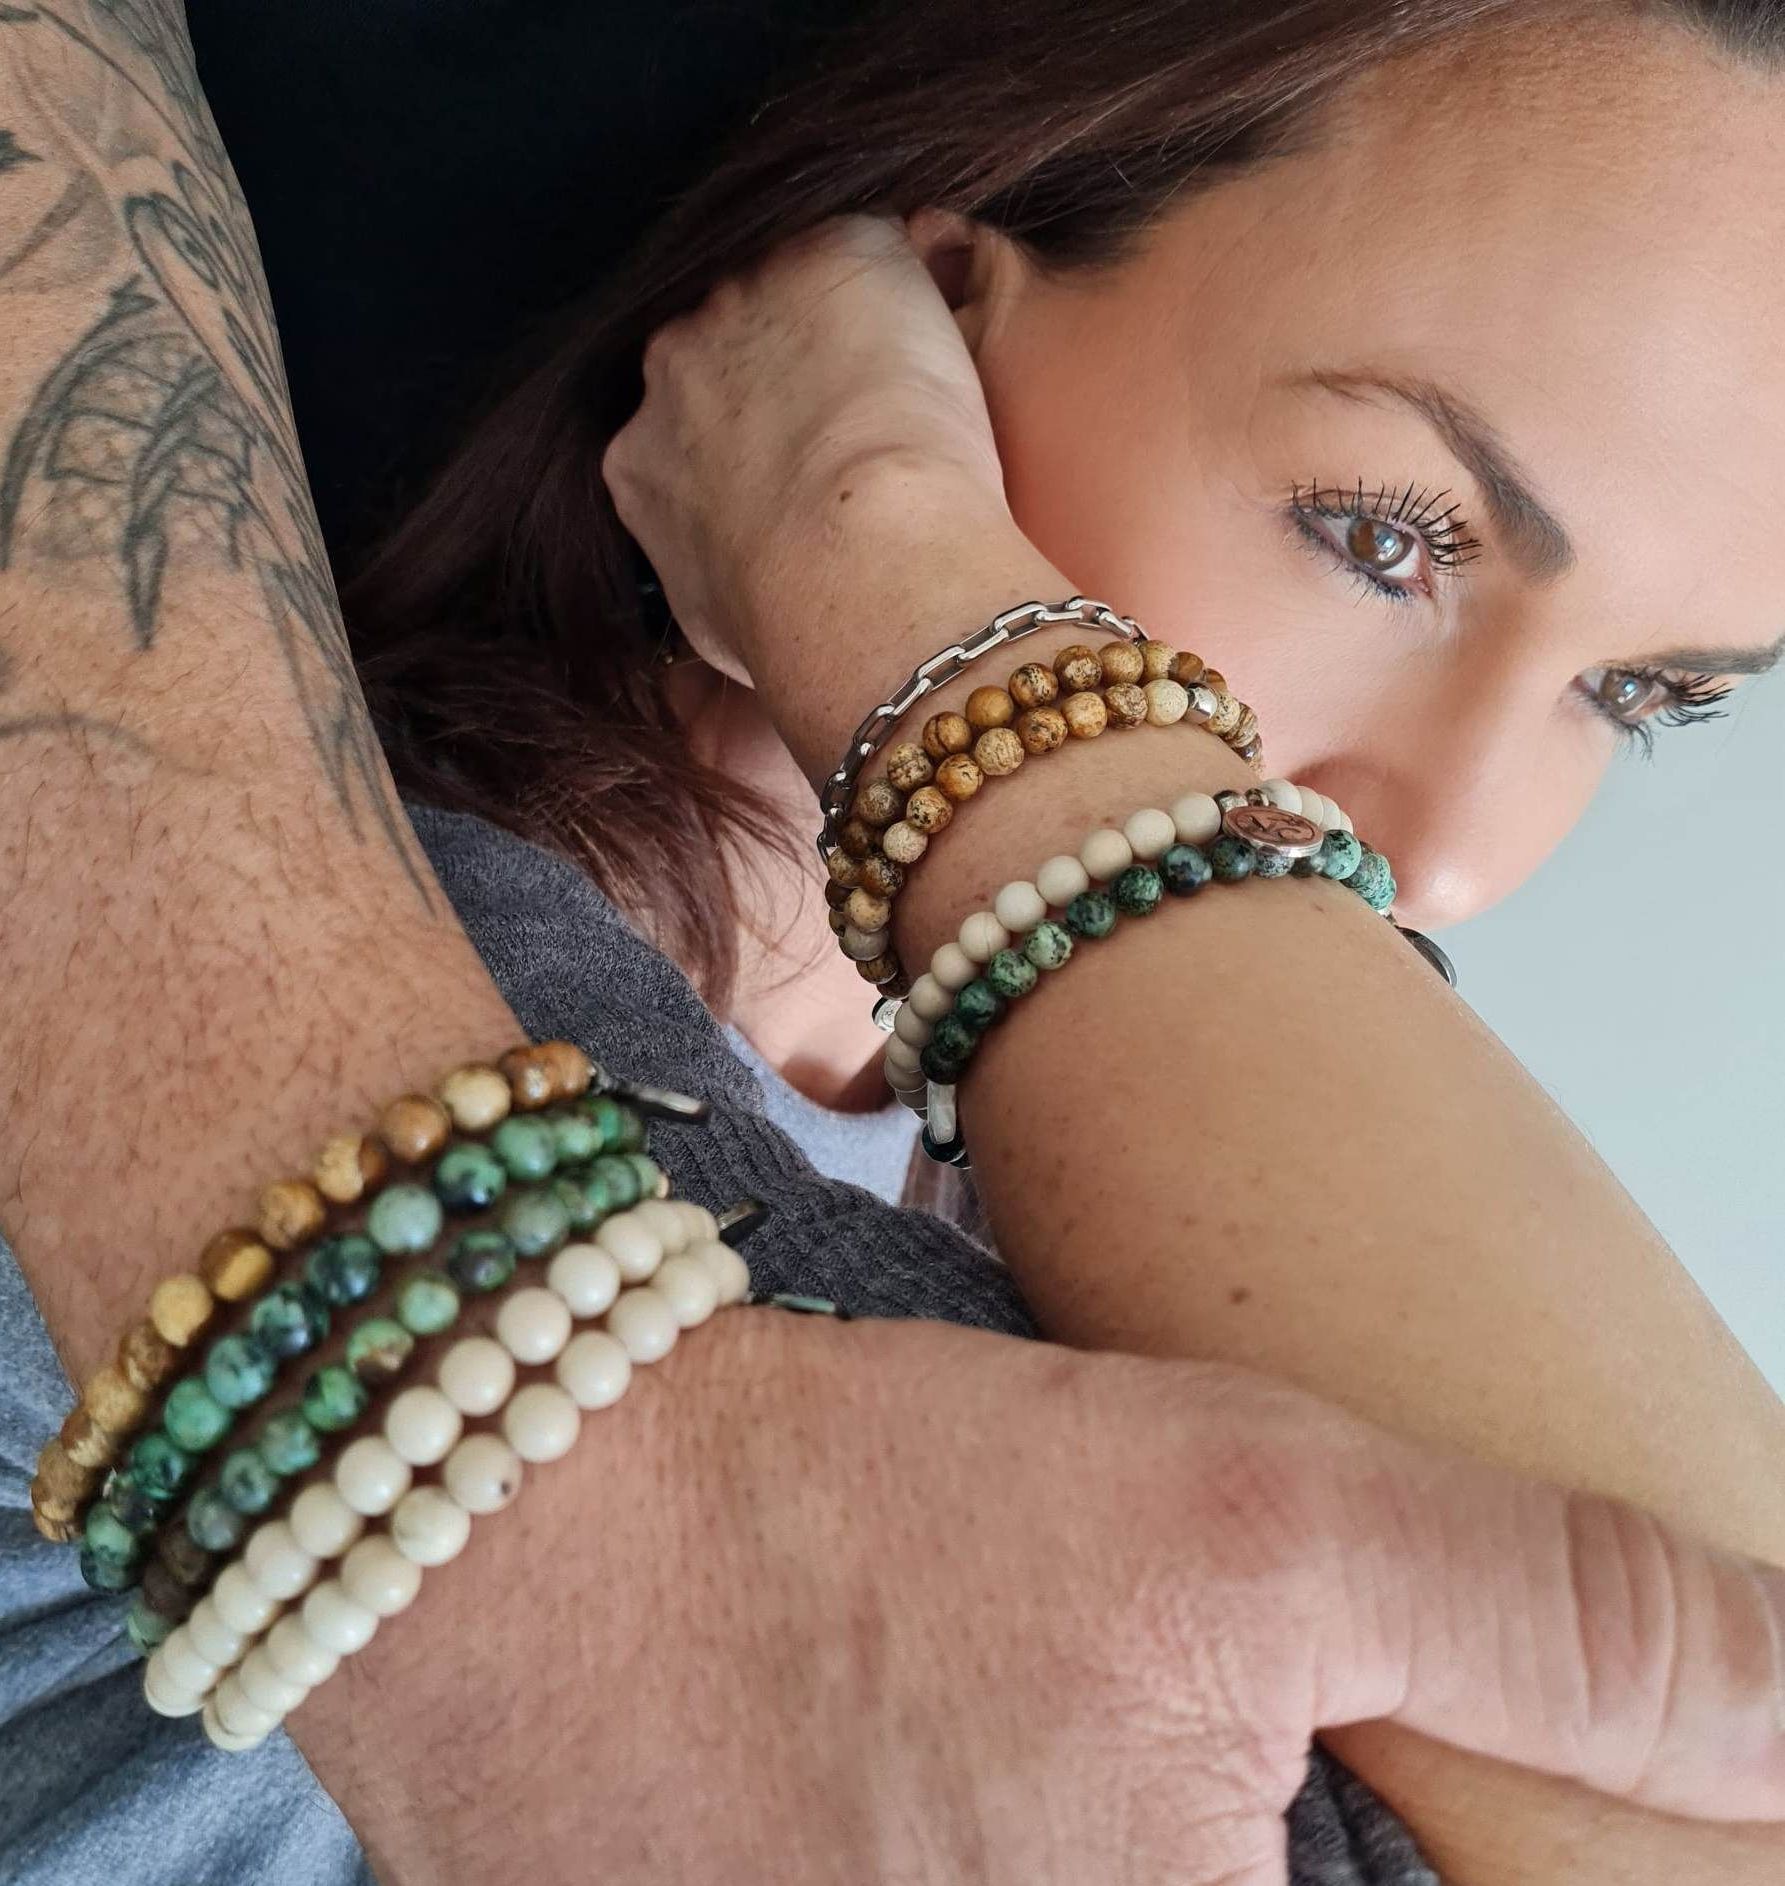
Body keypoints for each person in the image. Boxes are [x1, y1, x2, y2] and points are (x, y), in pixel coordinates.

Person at [1, 5, 1783, 1885]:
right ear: (913, 315)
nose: (1461, 853)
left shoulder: (1162, 1189)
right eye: (1387, 536)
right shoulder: (235, 984)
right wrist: (895, 560)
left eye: (1639, 694)